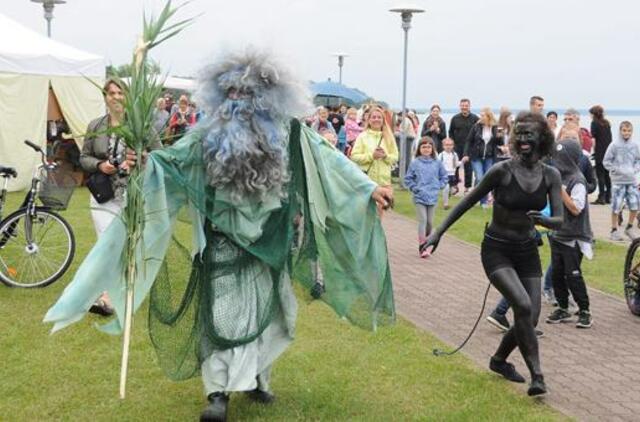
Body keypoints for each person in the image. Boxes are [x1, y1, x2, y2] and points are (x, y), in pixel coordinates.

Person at [45, 50, 395, 422]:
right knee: (224, 317)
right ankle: (218, 394)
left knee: (273, 314)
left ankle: (259, 376)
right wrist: (147, 160)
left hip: (269, 242)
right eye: (231, 92)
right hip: (222, 240)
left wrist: (368, 187)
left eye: (248, 92)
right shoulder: (207, 134)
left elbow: (328, 158)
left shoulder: (289, 130)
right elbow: (173, 159)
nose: (238, 100)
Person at [423, 111, 563, 396]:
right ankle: (538, 376)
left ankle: (498, 360)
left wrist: (546, 221)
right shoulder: (502, 170)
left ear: (543, 138)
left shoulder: (551, 175)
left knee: (531, 316)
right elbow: (467, 201)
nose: (523, 139)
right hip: (497, 249)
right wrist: (438, 232)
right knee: (522, 307)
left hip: (527, 250)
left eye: (530, 134)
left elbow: (559, 218)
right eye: (519, 133)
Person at [80, 78, 162, 316]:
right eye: (110, 93)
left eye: (120, 93)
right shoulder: (96, 125)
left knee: (124, 244)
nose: (115, 97)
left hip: (131, 195)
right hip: (102, 196)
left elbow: (160, 155)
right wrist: (100, 164)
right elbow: (83, 157)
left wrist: (143, 158)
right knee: (107, 243)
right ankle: (108, 295)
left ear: (127, 97)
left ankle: (114, 292)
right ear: (104, 96)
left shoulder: (141, 126)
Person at [545, 139, 594, 329]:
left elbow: (575, 208)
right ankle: (563, 307)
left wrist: (560, 190)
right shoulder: (559, 176)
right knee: (557, 274)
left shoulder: (577, 180)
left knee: (572, 275)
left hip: (574, 236)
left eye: (561, 157)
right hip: (558, 234)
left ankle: (585, 311)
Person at [351, 105, 399, 212]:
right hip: (367, 180)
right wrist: (371, 156)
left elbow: (395, 157)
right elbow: (354, 156)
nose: (376, 119)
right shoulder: (362, 136)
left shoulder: (389, 137)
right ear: (369, 120)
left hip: (383, 181)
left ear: (383, 120)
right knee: (366, 212)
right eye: (374, 117)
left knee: (379, 214)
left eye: (379, 117)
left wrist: (385, 156)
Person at [404, 137, 447, 255]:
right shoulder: (415, 163)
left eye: (428, 147)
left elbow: (444, 177)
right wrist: (414, 188)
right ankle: (422, 246)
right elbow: (408, 179)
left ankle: (428, 242)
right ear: (419, 149)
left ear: (432, 148)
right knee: (422, 220)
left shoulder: (437, 163)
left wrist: (439, 186)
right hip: (419, 196)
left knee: (430, 223)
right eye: (423, 147)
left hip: (433, 196)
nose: (426, 149)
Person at [603, 121, 640, 241]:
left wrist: (635, 169)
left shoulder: (635, 145)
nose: (626, 133)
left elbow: (638, 160)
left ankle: (629, 227)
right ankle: (614, 230)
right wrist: (615, 170)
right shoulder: (614, 145)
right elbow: (606, 161)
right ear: (620, 131)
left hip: (631, 180)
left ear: (632, 132)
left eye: (629, 131)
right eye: (624, 130)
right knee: (616, 206)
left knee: (635, 205)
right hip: (618, 181)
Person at [462, 107, 500, 208]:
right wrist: (466, 154)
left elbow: (499, 143)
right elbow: (469, 141)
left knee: (487, 179)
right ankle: (475, 198)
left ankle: (483, 202)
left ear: (488, 116)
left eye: (483, 115)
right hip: (476, 156)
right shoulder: (476, 127)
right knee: (479, 178)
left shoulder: (495, 127)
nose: (481, 117)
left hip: (489, 157)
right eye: (480, 115)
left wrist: (499, 136)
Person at [449, 99, 479, 194]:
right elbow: (450, 132)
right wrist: (452, 144)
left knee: (468, 167)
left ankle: (467, 187)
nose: (464, 107)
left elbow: (478, 132)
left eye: (466, 105)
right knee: (455, 167)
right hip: (457, 146)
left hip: (470, 147)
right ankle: (455, 186)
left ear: (469, 106)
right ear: (460, 106)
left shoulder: (475, 118)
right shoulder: (455, 118)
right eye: (462, 106)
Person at [590, 105, 613, 204]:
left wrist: (594, 151)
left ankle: (601, 197)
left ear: (594, 114)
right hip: (608, 152)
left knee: (600, 175)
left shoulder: (594, 123)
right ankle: (609, 197)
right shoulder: (607, 123)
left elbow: (594, 139)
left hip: (600, 151)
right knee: (607, 175)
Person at [437, 137, 460, 209]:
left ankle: (449, 193)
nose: (448, 147)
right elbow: (438, 164)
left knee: (452, 190)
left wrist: (462, 162)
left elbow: (456, 164)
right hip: (444, 175)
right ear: (443, 146)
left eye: (450, 145)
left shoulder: (454, 155)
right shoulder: (441, 155)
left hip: (452, 175)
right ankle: (445, 204)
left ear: (453, 146)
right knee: (446, 188)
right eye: (446, 145)